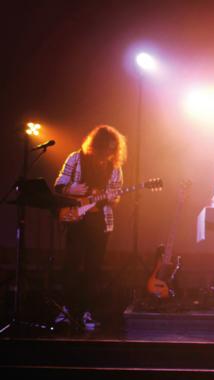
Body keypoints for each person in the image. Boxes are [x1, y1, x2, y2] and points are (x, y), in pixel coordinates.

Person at [53, 125, 127, 330]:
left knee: (93, 270)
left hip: (100, 224)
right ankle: (66, 311)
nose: (110, 153)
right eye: (107, 148)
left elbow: (115, 196)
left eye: (114, 149)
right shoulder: (75, 158)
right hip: (76, 221)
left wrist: (113, 198)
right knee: (71, 267)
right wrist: (72, 188)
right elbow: (58, 185)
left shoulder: (115, 168)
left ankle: (87, 312)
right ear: (97, 146)